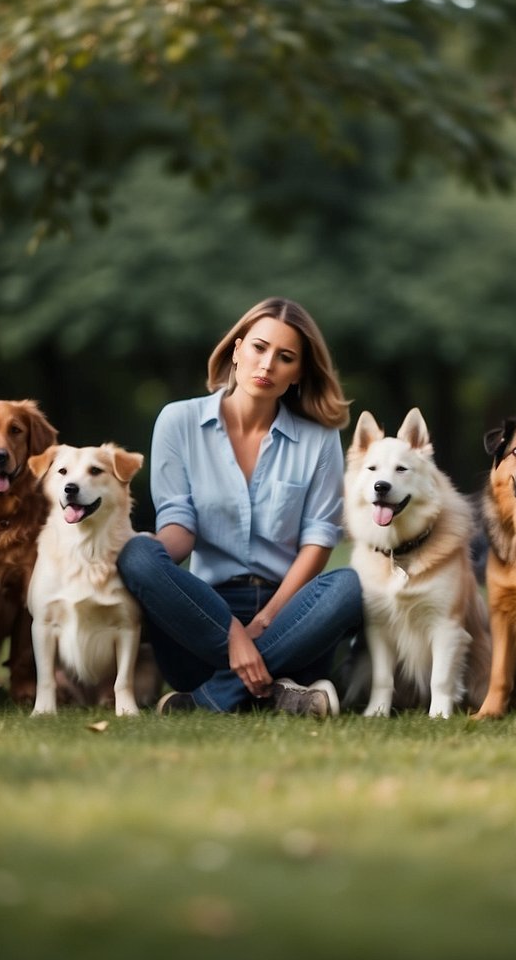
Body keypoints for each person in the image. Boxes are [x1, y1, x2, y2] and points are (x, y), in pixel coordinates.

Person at [117, 297, 363, 716]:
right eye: (259, 348)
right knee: (137, 553)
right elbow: (178, 524)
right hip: (202, 619)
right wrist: (154, 561)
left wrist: (264, 622)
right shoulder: (177, 421)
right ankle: (283, 693)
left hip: (292, 619)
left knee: (349, 586)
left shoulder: (320, 439)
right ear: (237, 349)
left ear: (298, 372)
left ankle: (211, 699)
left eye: (285, 357)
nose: (267, 365)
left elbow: (318, 542)